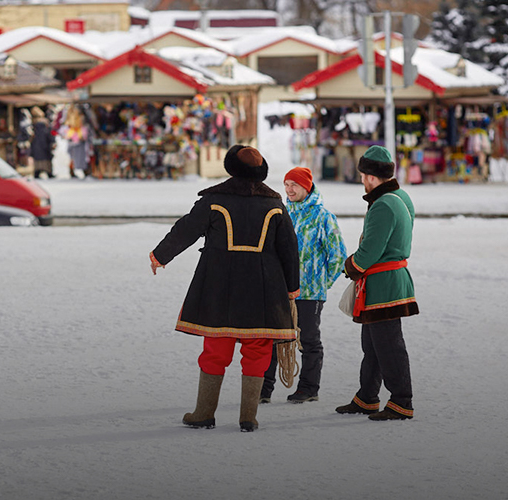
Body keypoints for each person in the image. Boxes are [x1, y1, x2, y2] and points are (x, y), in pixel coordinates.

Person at [150, 145, 300, 432]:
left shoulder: (214, 200)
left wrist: (161, 254)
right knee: (258, 351)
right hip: (264, 290)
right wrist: (292, 287)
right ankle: (248, 417)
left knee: (216, 349)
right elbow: (289, 250)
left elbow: (186, 229)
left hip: (220, 287)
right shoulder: (275, 205)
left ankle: (203, 413)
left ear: (231, 167)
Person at [335, 145, 419, 421]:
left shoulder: (383, 204)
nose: (361, 180)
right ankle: (367, 397)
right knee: (372, 345)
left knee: (389, 346)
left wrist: (351, 266)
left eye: (362, 175)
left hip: (383, 285)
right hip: (388, 281)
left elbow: (370, 250)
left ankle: (401, 401)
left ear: (371, 176)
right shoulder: (400, 196)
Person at [261, 167, 347, 403]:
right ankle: (263, 389)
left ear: (306, 187)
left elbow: (338, 256)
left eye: (294, 185)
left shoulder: (323, 216)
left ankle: (309, 388)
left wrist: (321, 283)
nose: (289, 189)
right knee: (273, 339)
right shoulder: (282, 214)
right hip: (282, 291)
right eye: (286, 184)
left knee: (308, 340)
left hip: (310, 293)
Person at [29, 107, 54, 178]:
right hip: (44, 144)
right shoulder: (45, 124)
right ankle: (48, 172)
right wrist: (51, 142)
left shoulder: (33, 124)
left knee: (38, 160)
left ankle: (37, 172)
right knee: (46, 159)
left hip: (36, 144)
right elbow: (49, 134)